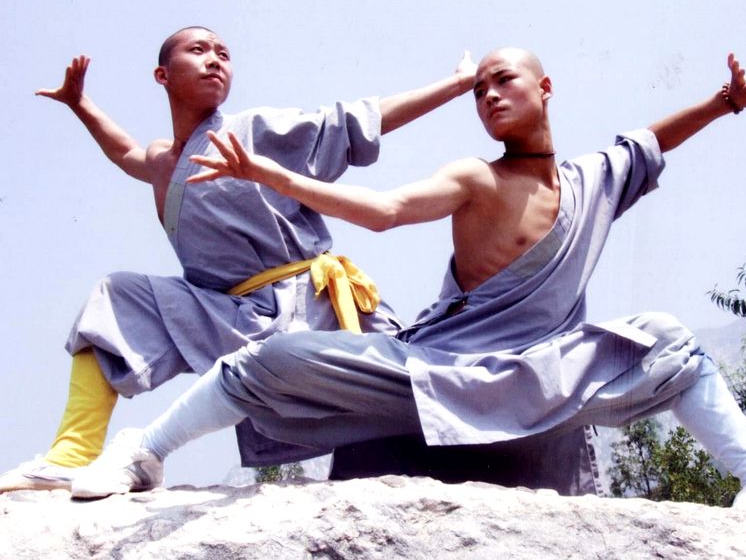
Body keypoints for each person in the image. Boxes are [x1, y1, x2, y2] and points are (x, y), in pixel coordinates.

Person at [71, 48, 746, 511]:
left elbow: (650, 140)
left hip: (544, 374)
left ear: (545, 87)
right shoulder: (472, 177)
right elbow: (384, 211)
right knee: (274, 359)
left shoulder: (595, 180)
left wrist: (724, 103)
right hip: (435, 371)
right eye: (479, 89)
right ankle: (145, 451)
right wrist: (270, 174)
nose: (489, 97)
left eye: (503, 81)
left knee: (668, 340)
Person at [0, 26, 480, 493]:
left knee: (389, 420)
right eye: (198, 50)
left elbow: (354, 121)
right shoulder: (163, 161)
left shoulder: (252, 130)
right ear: (162, 75)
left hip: (305, 306)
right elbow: (125, 152)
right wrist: (80, 104)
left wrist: (457, 85)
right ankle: (70, 456)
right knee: (117, 297)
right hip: (227, 311)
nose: (215, 59)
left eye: (224, 54)